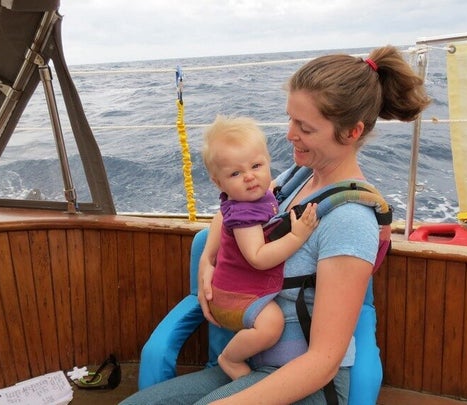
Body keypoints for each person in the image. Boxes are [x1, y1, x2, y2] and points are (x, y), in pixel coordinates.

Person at [121, 45, 429, 405]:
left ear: (351, 132)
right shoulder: (298, 176)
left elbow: (324, 363)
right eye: (290, 119)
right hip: (252, 362)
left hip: (305, 382)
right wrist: (207, 260)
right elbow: (234, 209)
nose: (289, 134)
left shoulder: (349, 221)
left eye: (305, 127)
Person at [200, 115, 319, 380]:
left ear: (268, 162)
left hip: (240, 290)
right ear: (219, 183)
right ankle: (230, 359)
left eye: (256, 165)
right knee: (271, 324)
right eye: (235, 173)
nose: (250, 177)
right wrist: (297, 237)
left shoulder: (262, 193)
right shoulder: (243, 214)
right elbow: (258, 258)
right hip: (234, 296)